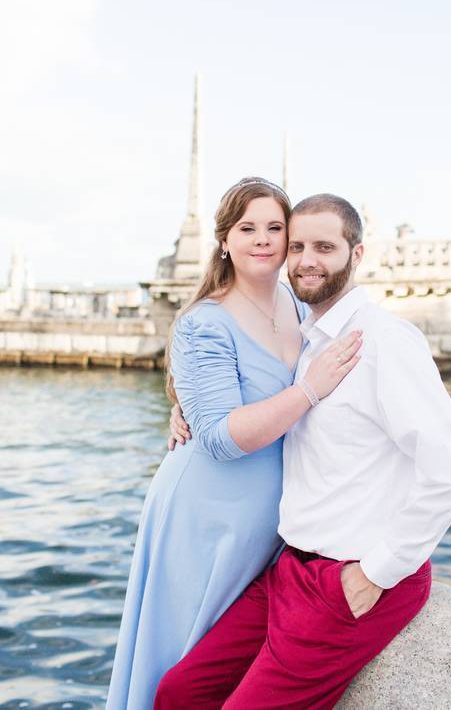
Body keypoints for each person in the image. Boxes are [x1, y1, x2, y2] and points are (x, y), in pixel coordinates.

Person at [157, 193, 451, 709]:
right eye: (300, 246)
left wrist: (377, 571)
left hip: (350, 579)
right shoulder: (306, 336)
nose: (308, 260)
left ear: (355, 255)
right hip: (289, 568)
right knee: (180, 692)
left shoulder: (381, 341)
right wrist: (189, 411)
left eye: (325, 247)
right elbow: (244, 395)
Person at [106, 179, 361, 710]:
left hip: (269, 520)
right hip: (206, 514)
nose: (263, 240)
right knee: (182, 658)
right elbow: (220, 439)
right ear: (224, 240)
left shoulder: (295, 303)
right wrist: (309, 389)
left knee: (225, 667)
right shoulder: (205, 321)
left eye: (275, 228)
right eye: (248, 228)